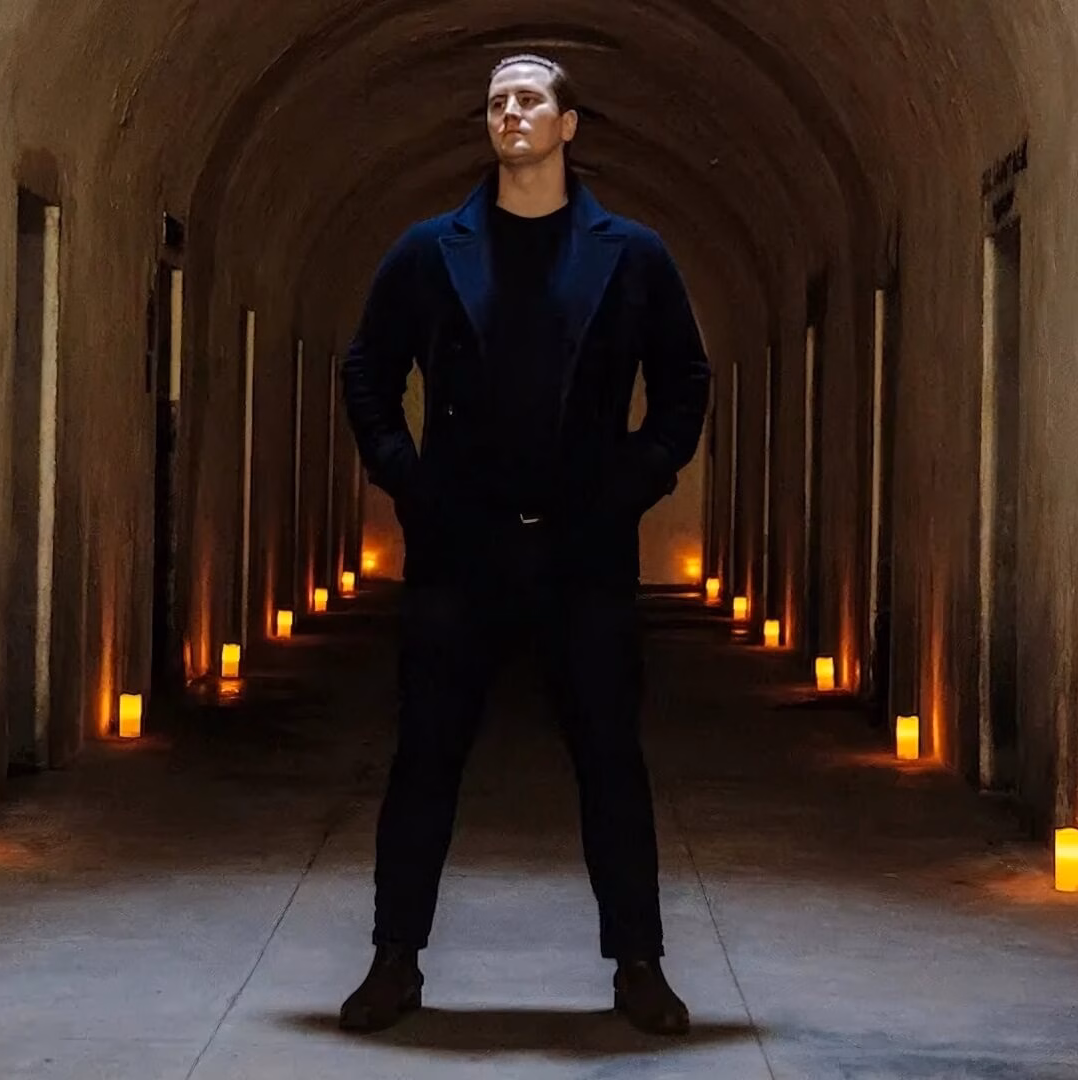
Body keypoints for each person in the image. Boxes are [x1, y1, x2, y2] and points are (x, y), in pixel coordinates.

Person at [336, 53, 711, 1037]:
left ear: (569, 123)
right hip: (461, 545)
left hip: (584, 549)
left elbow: (686, 383)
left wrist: (636, 480)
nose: (511, 112)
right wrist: (404, 476)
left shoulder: (633, 254)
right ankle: (393, 961)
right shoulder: (432, 250)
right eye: (498, 100)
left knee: (610, 761)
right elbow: (367, 366)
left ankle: (640, 966)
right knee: (426, 756)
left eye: (530, 98)